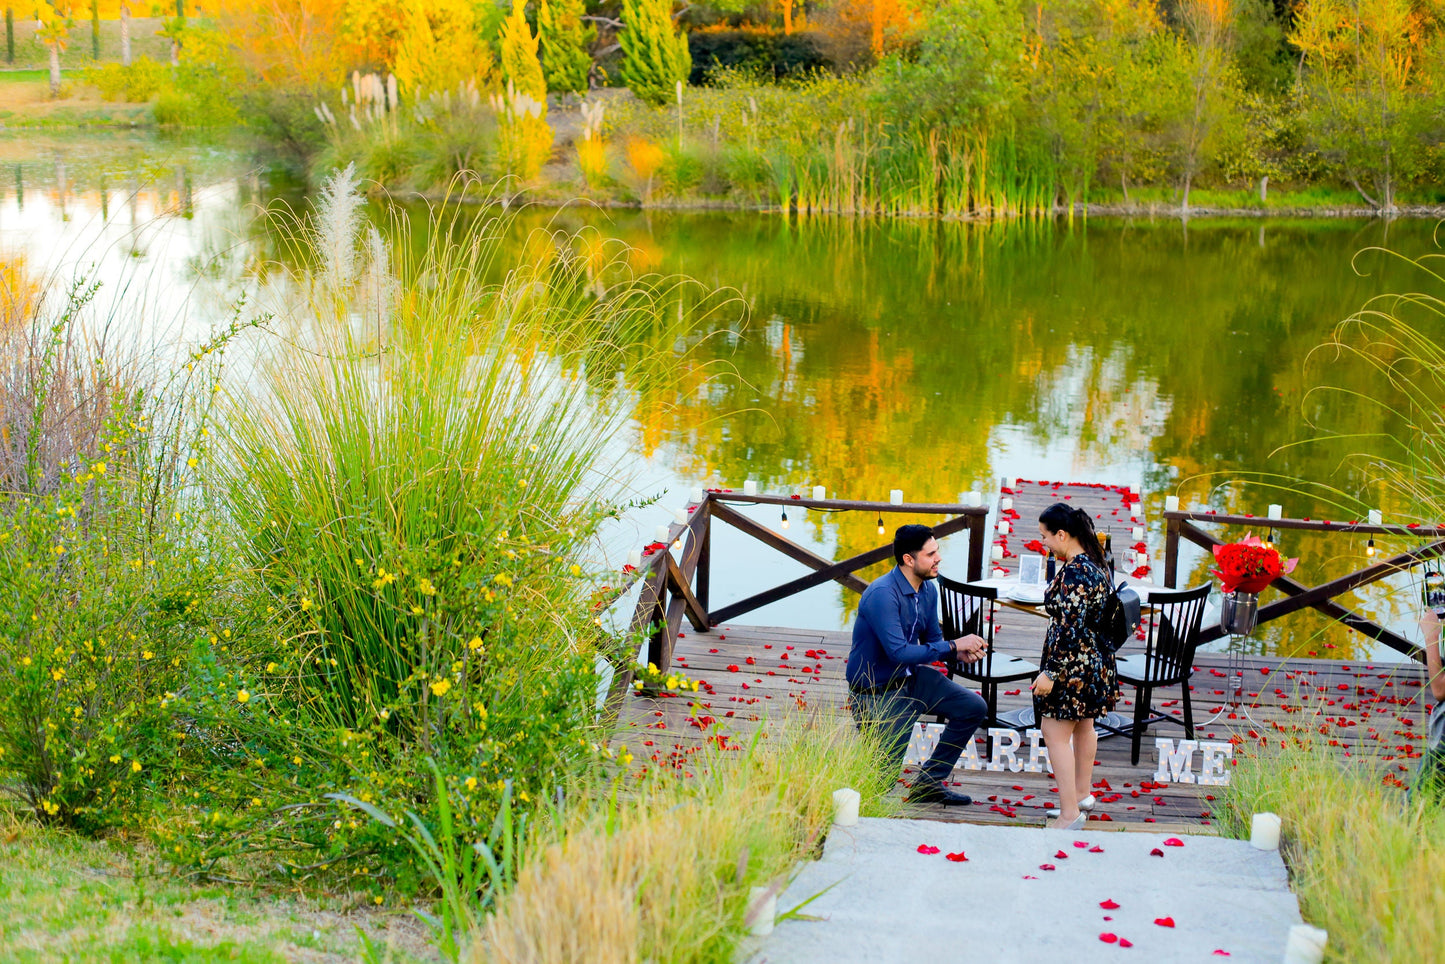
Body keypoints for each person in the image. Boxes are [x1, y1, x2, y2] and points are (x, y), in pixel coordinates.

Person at [846, 524, 989, 805]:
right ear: (908, 560)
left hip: (912, 681)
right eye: (930, 554)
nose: (938, 558)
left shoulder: (928, 590)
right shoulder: (882, 595)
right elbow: (898, 652)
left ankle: (928, 784)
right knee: (881, 782)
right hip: (877, 694)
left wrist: (957, 654)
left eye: (937, 551)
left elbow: (933, 640)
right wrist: (954, 645)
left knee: (973, 707)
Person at [1031, 502, 1117, 829]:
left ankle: (1069, 814)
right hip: (1094, 662)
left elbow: (1070, 628)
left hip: (1073, 668)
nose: (1044, 543)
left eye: (1045, 536)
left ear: (1062, 534)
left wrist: (1050, 673)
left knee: (1053, 732)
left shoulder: (1076, 573)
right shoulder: (1095, 562)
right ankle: (1082, 795)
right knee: (1084, 726)